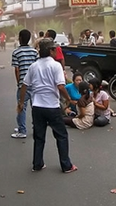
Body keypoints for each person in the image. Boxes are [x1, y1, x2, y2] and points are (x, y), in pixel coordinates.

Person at [17, 38, 77, 173]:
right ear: (50, 51)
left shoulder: (34, 66)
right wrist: (68, 99)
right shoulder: (56, 66)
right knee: (61, 136)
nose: (56, 51)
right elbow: (60, 86)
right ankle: (66, 165)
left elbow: (24, 85)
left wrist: (21, 103)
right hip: (52, 106)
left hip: (37, 106)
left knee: (39, 137)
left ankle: (37, 164)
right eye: (55, 49)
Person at [11, 29, 38, 139]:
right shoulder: (34, 52)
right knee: (35, 108)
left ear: (20, 38)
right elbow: (37, 68)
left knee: (21, 107)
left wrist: (19, 84)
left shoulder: (16, 52)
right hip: (35, 84)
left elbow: (17, 70)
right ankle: (36, 129)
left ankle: (22, 130)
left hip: (23, 85)